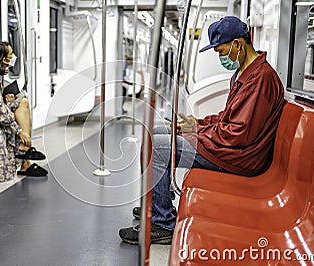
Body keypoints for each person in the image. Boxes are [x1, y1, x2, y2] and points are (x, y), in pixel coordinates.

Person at [119, 16, 286, 245]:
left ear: (237, 44)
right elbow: (228, 118)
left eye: (221, 50)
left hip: (238, 157)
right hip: (230, 147)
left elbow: (236, 135)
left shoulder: (260, 80)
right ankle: (158, 204)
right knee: (157, 132)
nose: (221, 56)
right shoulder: (244, 74)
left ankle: (162, 223)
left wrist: (197, 132)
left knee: (156, 148)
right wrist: (196, 123)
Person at [0, 41, 47, 182]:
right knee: (19, 107)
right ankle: (25, 151)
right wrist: (18, 131)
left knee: (22, 101)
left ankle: (25, 155)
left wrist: (6, 97)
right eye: (11, 54)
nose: (13, 57)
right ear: (3, 59)